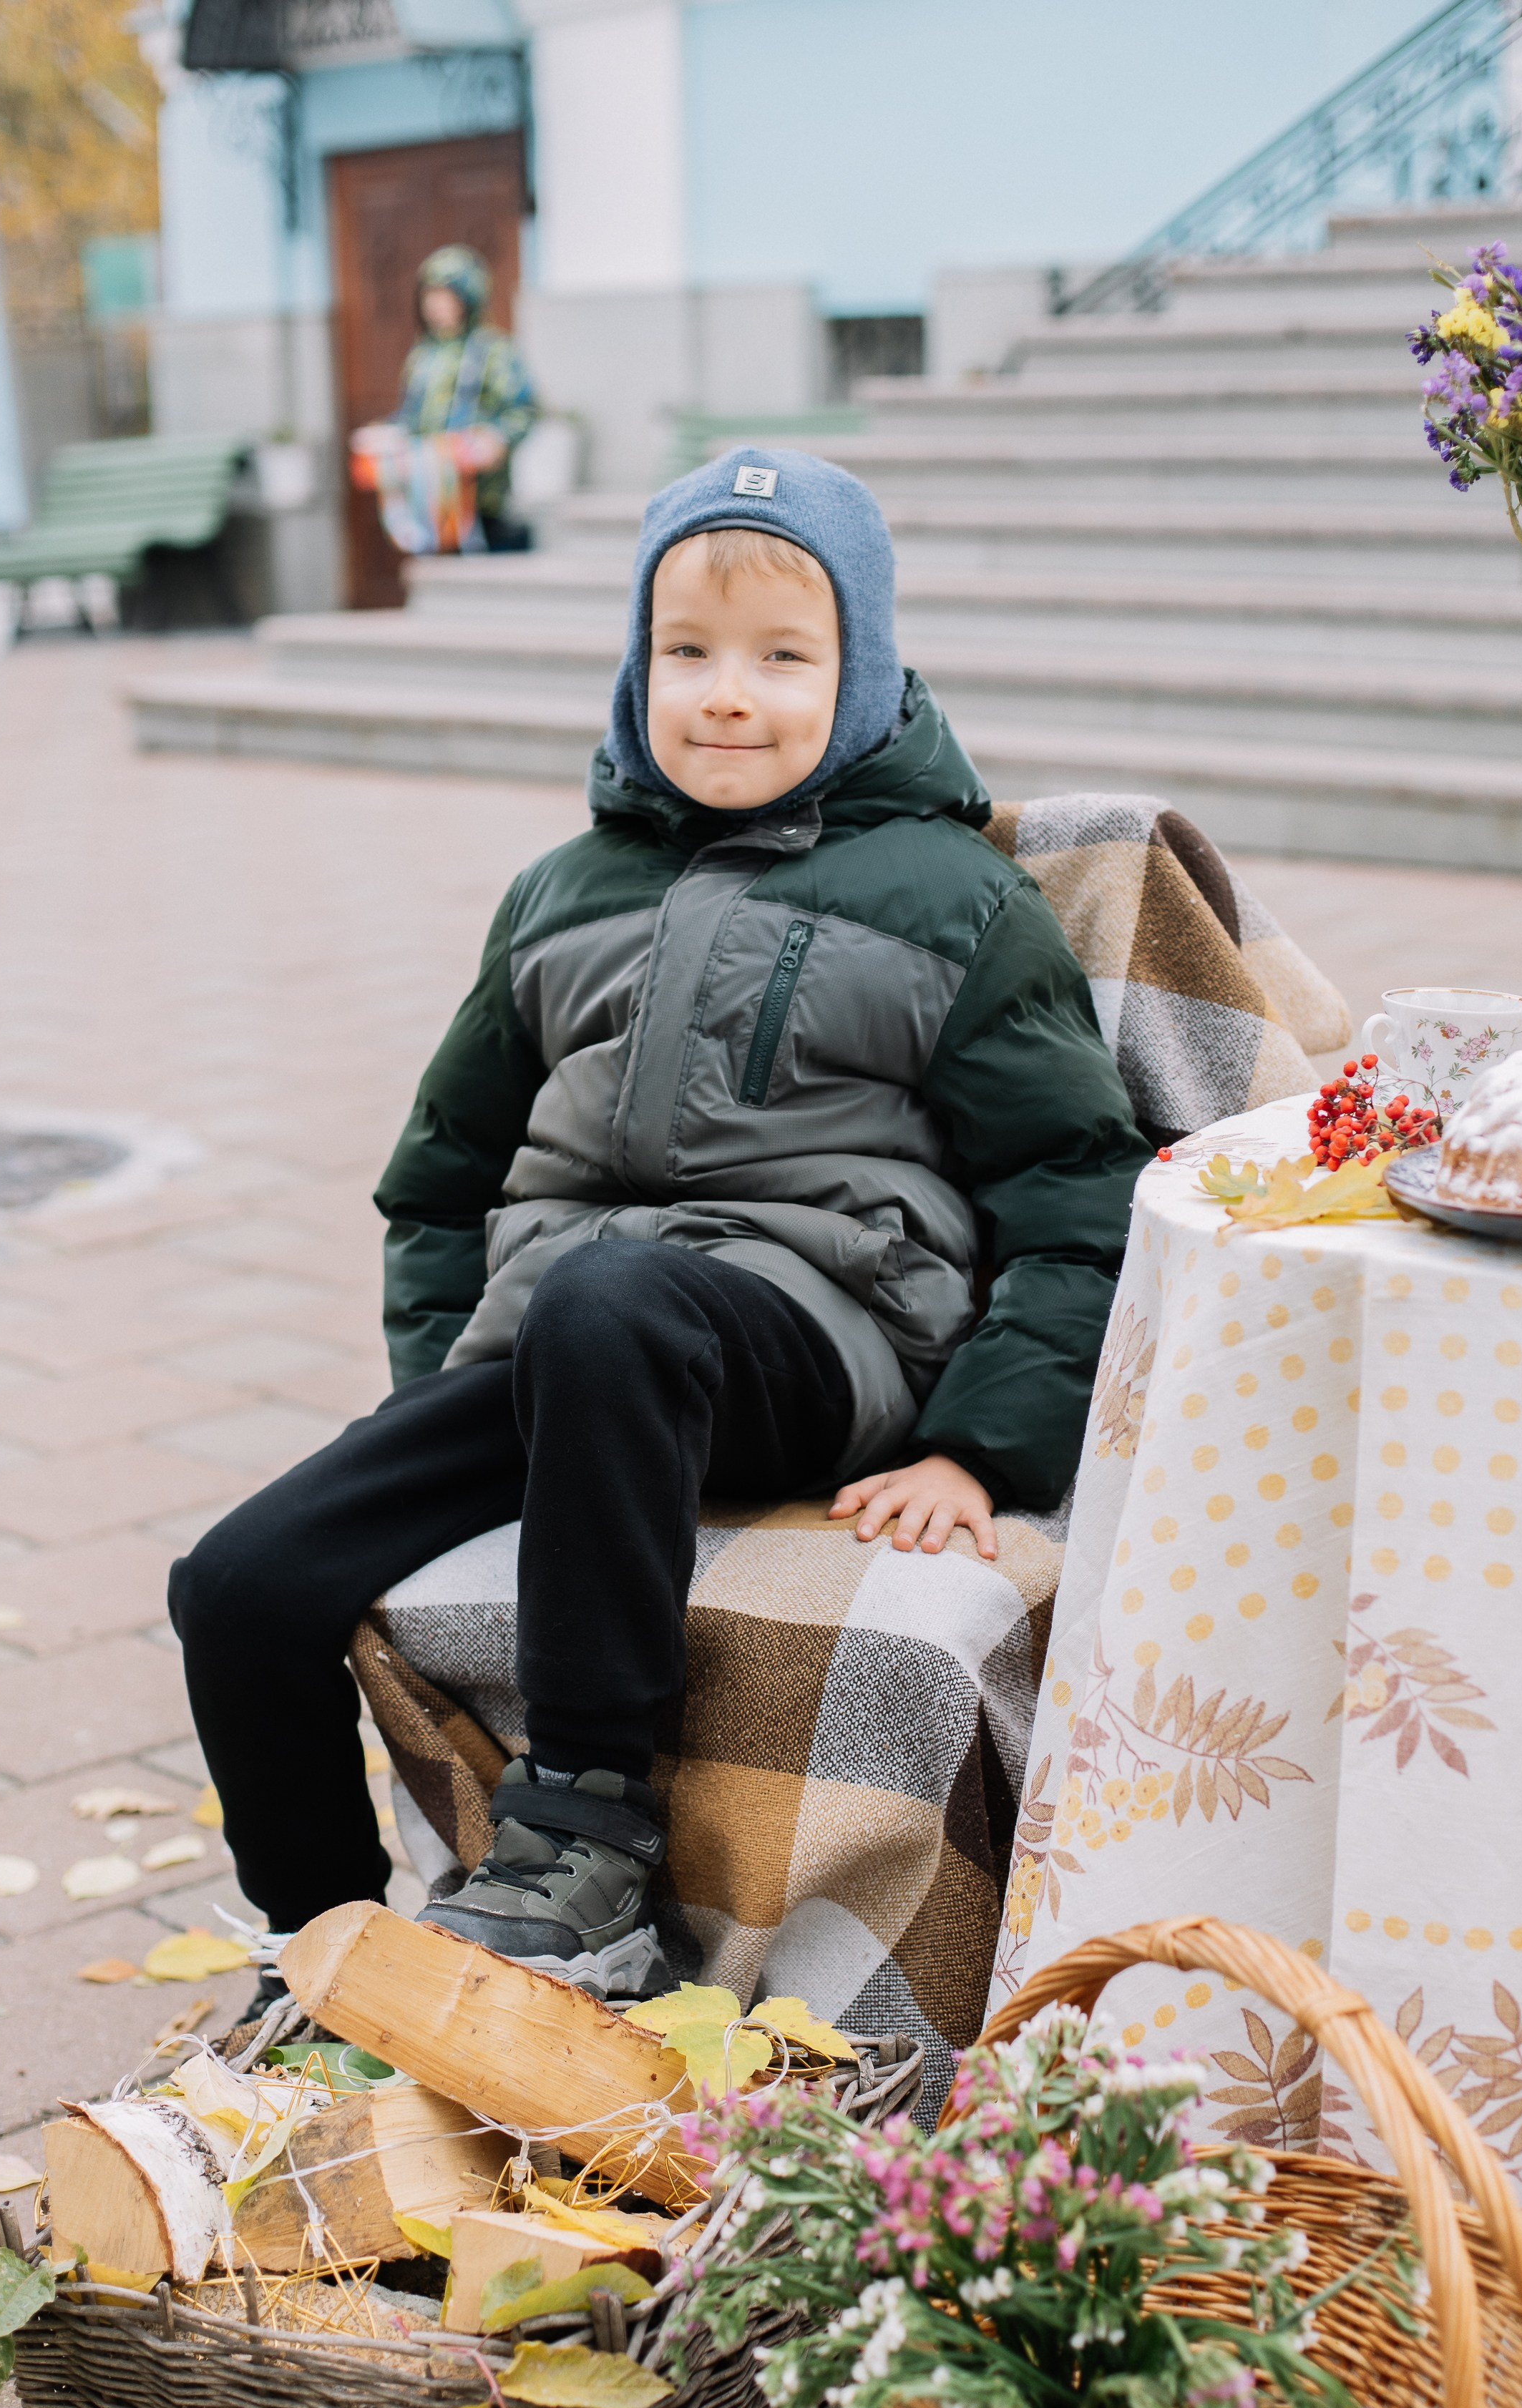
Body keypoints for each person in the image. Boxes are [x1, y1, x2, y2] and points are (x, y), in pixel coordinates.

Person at [168, 446, 1149, 2021]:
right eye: (686, 652)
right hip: (570, 1350)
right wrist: (444, 1367)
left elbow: (1081, 1194)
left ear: (867, 669)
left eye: (782, 656)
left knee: (611, 1300)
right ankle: (333, 1965)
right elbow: (441, 1175)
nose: (727, 695)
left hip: (813, 1338)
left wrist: (978, 1443)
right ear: (637, 665)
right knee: (238, 1581)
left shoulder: (952, 901)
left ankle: (584, 1831)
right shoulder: (560, 895)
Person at [353, 244, 535, 555]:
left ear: (468, 298)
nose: (436, 305)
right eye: (429, 295)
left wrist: (497, 439)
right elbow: (411, 415)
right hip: (428, 496)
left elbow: (522, 410)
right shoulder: (423, 354)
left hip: (478, 497)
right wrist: (384, 432)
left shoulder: (492, 350)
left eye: (446, 295)